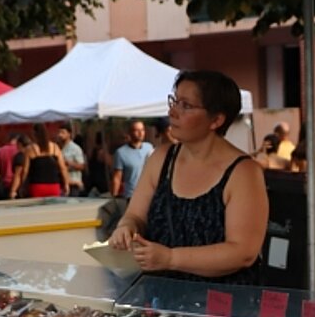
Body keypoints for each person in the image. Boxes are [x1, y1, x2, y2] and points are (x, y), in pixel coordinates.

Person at [108, 71, 267, 284]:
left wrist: (171, 258)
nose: (172, 112)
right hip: (160, 299)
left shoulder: (244, 173)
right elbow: (135, 215)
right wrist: (126, 227)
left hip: (222, 304)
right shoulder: (161, 158)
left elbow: (243, 252)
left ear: (217, 120)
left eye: (186, 105)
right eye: (174, 101)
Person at [12, 124, 69, 199]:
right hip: (54, 186)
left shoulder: (30, 149)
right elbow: (63, 168)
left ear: (34, 134)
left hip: (37, 186)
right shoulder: (55, 147)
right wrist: (66, 184)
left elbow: (25, 171)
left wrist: (22, 186)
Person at [110, 120, 154, 203]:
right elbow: (117, 177)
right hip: (131, 195)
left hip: (149, 194)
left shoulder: (149, 148)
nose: (140, 133)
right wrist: (114, 197)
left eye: (142, 130)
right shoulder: (121, 153)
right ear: (130, 132)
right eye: (137, 130)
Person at [58, 126, 86, 196]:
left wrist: (69, 163)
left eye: (63, 132)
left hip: (74, 184)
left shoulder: (75, 148)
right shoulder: (58, 147)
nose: (60, 135)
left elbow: (82, 166)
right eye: (59, 132)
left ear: (69, 134)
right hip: (62, 183)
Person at [87, 130, 112, 196]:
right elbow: (111, 164)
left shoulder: (93, 151)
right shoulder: (102, 153)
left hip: (94, 181)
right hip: (102, 183)